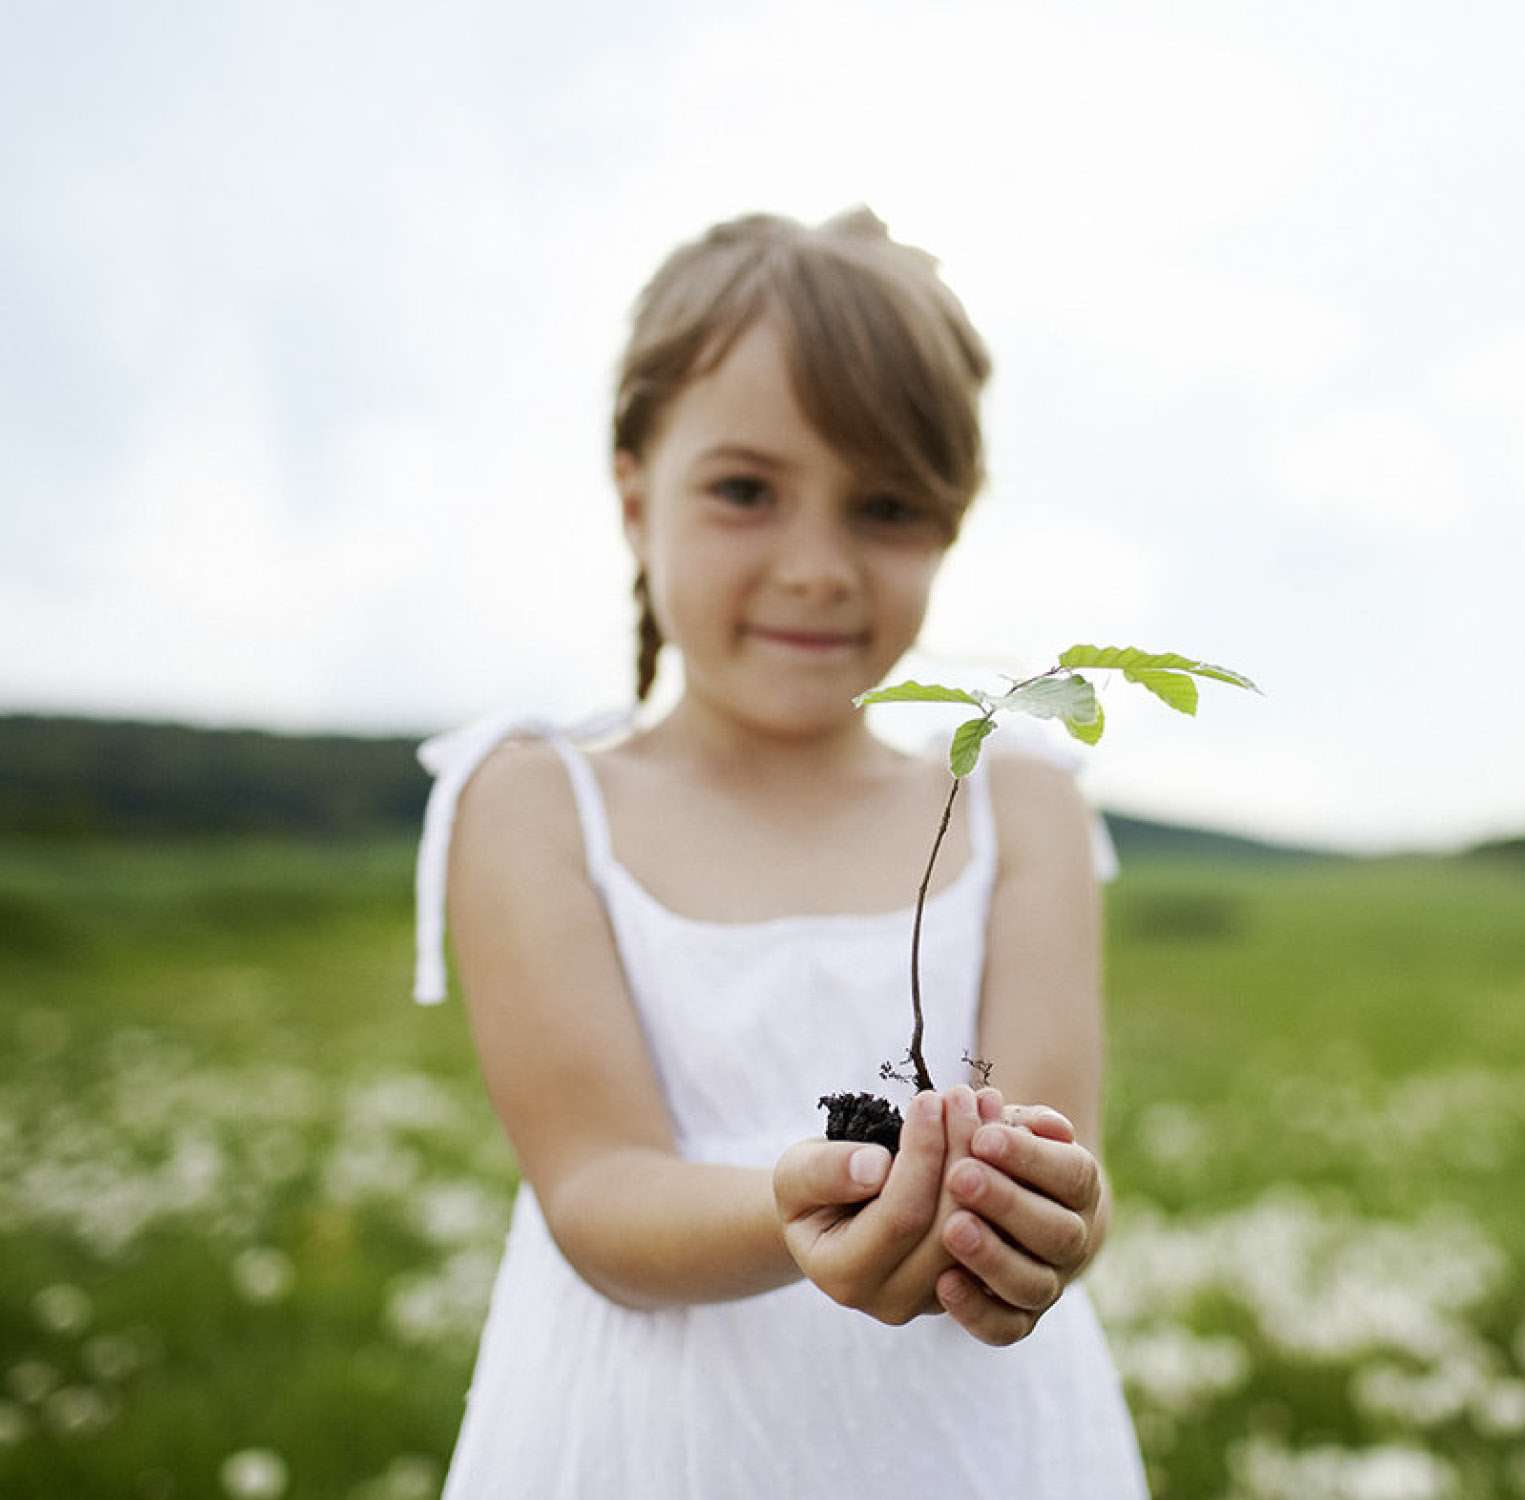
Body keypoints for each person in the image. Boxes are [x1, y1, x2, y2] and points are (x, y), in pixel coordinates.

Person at [409, 207, 1149, 1497]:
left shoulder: (1021, 806)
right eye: (746, 490)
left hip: (973, 1443)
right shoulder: (534, 804)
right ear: (636, 499)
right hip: (651, 1444)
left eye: (885, 506)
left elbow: (1057, 1146)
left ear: (952, 526)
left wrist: (1041, 1219)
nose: (817, 568)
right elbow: (596, 1191)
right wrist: (798, 1218)